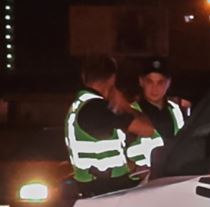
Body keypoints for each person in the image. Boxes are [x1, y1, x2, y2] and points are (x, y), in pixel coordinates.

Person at [64, 55, 155, 197]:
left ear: (84, 77)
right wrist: (124, 104)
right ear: (112, 78)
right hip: (107, 192)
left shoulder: (81, 104)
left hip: (94, 188)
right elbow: (147, 129)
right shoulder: (96, 109)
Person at [126, 58, 188, 168]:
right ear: (141, 82)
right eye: (149, 81)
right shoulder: (130, 112)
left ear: (168, 83)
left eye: (160, 82)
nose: (155, 88)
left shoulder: (175, 110)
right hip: (141, 176)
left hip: (171, 173)